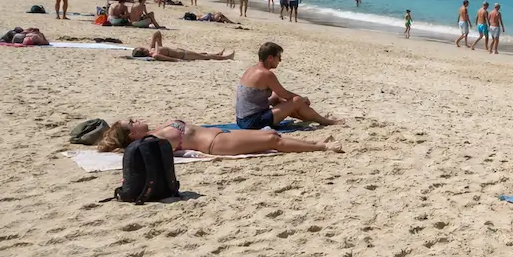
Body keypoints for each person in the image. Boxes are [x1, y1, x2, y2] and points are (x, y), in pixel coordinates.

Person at [98, 118, 341, 155]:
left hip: (221, 134)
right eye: (132, 123)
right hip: (216, 143)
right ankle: (321, 147)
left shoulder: (153, 133)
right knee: (272, 141)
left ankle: (313, 142)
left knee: (270, 133)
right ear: (133, 133)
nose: (136, 120)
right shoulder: (151, 141)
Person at [236, 42, 339, 129]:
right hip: (252, 122)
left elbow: (280, 94)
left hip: (241, 119)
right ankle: (325, 121)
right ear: (270, 58)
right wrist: (303, 99)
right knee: (296, 101)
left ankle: (312, 117)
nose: (280, 60)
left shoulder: (251, 69)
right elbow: (286, 95)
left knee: (276, 97)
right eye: (278, 57)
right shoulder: (266, 74)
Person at [131, 31, 233, 61]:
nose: (143, 47)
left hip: (181, 51)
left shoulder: (152, 50)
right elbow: (159, 56)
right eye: (142, 48)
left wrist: (153, 44)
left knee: (201, 54)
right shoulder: (154, 54)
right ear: (143, 52)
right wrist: (176, 60)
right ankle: (226, 57)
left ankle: (218, 54)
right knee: (205, 57)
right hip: (183, 55)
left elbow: (157, 33)